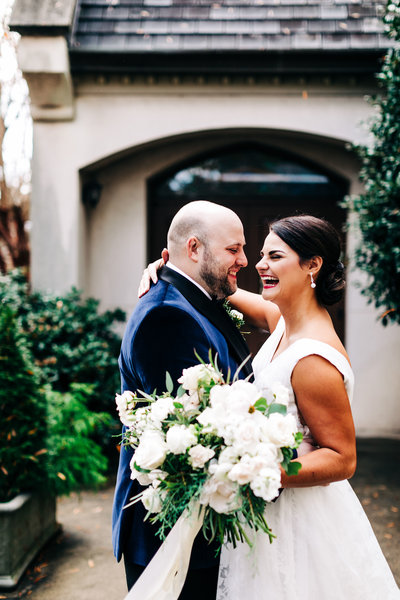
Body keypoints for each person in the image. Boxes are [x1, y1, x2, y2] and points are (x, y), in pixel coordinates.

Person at [144, 214, 400, 599]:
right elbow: (221, 289)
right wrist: (173, 270)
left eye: (275, 256)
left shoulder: (314, 358)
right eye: (260, 255)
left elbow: (342, 458)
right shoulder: (284, 320)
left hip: (300, 520)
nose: (259, 264)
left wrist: (252, 471)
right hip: (268, 509)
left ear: (312, 265)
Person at [112, 200, 252, 600]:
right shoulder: (167, 317)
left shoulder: (192, 301)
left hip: (198, 526)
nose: (244, 259)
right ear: (194, 249)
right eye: (233, 249)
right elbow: (199, 435)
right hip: (175, 531)